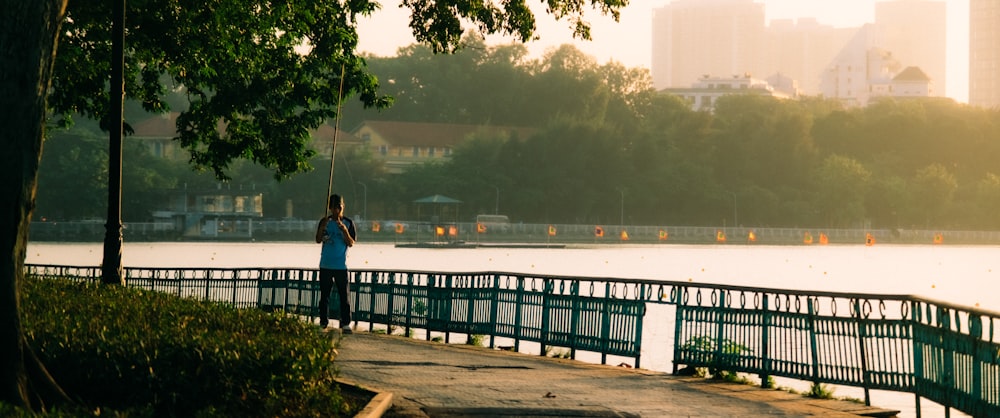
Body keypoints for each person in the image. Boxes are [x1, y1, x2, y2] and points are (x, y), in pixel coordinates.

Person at [315, 194, 357, 333]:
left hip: (340, 265)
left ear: (342, 207)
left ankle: (345, 323)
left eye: (338, 208)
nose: (336, 211)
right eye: (333, 208)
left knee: (344, 296)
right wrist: (322, 227)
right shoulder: (324, 221)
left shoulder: (348, 223)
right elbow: (318, 239)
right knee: (324, 296)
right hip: (325, 264)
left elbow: (351, 243)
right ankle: (323, 322)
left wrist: (344, 230)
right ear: (330, 208)